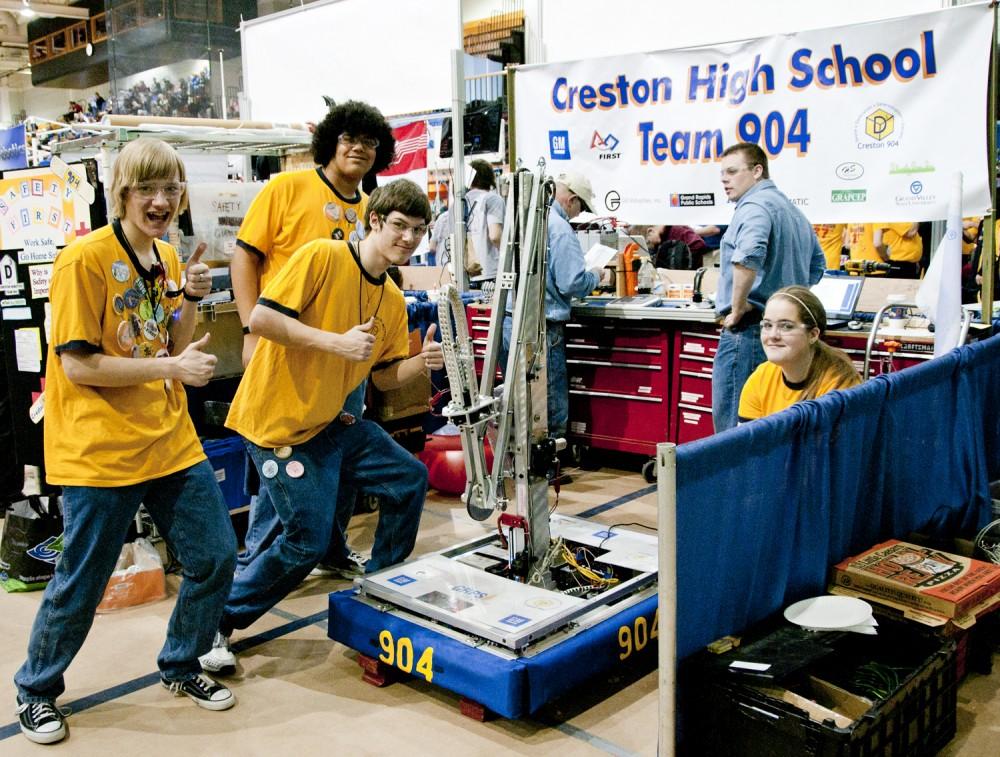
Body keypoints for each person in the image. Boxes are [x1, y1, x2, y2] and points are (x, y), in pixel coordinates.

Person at [14, 138, 238, 745]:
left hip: (167, 439)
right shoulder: (81, 260)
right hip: (99, 450)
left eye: (170, 189)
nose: (161, 201)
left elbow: (168, 339)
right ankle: (36, 688)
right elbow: (79, 367)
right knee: (82, 581)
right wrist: (169, 371)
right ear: (122, 193)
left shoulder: (165, 256)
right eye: (148, 190)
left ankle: (182, 662)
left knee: (216, 555)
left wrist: (189, 297)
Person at [200, 179, 440, 673]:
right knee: (304, 542)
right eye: (399, 225)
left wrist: (420, 364)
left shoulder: (392, 300)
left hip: (332, 421)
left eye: (418, 230)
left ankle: (378, 592)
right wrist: (334, 343)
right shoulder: (321, 257)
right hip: (276, 425)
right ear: (374, 221)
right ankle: (215, 624)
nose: (408, 238)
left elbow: (383, 376)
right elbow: (263, 319)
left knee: (408, 479)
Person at [232, 101, 395, 581]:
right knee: (283, 465)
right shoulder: (287, 188)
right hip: (288, 357)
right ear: (329, 142)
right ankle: (251, 570)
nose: (359, 149)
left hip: (346, 362)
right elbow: (244, 257)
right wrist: (248, 328)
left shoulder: (370, 211)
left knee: (338, 457)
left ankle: (330, 546)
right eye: (349, 138)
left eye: (369, 143)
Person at [713, 142, 825, 432]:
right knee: (770, 428)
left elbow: (748, 256)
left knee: (733, 431)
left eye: (733, 171)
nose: (724, 179)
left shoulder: (753, 206)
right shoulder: (792, 211)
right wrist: (785, 299)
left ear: (758, 171)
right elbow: (817, 266)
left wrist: (737, 309)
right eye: (722, 173)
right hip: (785, 337)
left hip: (750, 331)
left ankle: (733, 480)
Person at [500, 170, 604, 456]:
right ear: (571, 199)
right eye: (580, 207)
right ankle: (550, 461)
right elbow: (572, 282)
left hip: (511, 321)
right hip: (542, 328)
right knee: (548, 399)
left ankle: (518, 457)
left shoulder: (525, 220)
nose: (577, 213)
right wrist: (596, 276)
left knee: (518, 397)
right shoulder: (559, 227)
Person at [738, 286, 861, 421]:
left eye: (786, 326)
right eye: (767, 325)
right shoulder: (761, 378)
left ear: (813, 334)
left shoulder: (839, 385)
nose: (773, 335)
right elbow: (748, 440)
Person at [431, 159, 505, 281]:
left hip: (462, 274)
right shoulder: (492, 199)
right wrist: (509, 257)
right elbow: (495, 236)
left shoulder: (456, 205)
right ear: (489, 177)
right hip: (489, 272)